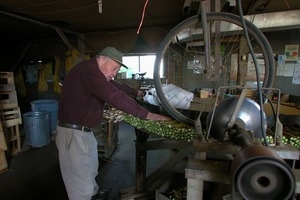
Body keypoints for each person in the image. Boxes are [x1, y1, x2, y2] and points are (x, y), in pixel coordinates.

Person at [55, 46, 170, 200]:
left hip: (84, 132)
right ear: (101, 60)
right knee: (79, 181)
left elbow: (115, 86)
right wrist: (147, 114)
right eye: (114, 68)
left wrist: (136, 92)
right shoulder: (89, 70)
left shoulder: (94, 72)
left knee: (89, 171)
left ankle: (93, 195)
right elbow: (113, 96)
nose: (114, 73)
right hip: (73, 134)